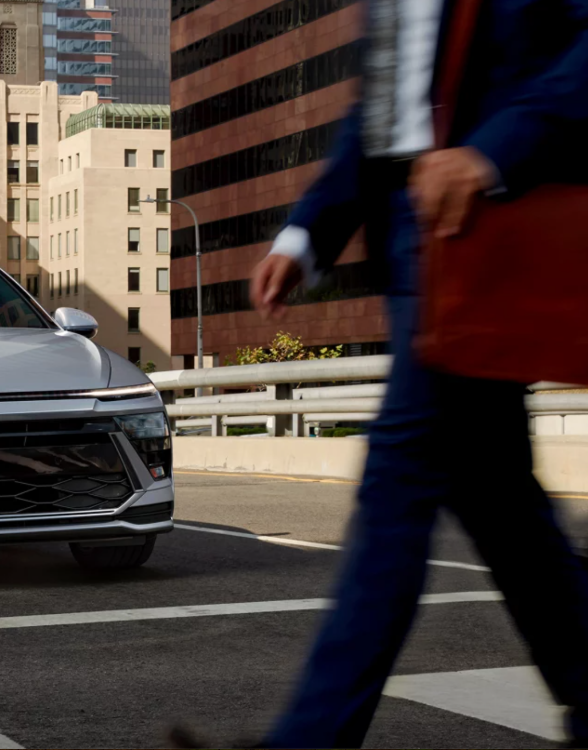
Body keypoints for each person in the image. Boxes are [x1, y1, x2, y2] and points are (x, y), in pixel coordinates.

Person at [202, 0, 588, 746]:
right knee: (496, 498)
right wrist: (307, 231)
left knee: (397, 484)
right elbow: (382, 113)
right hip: (420, 246)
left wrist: (493, 153)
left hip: (489, 222)